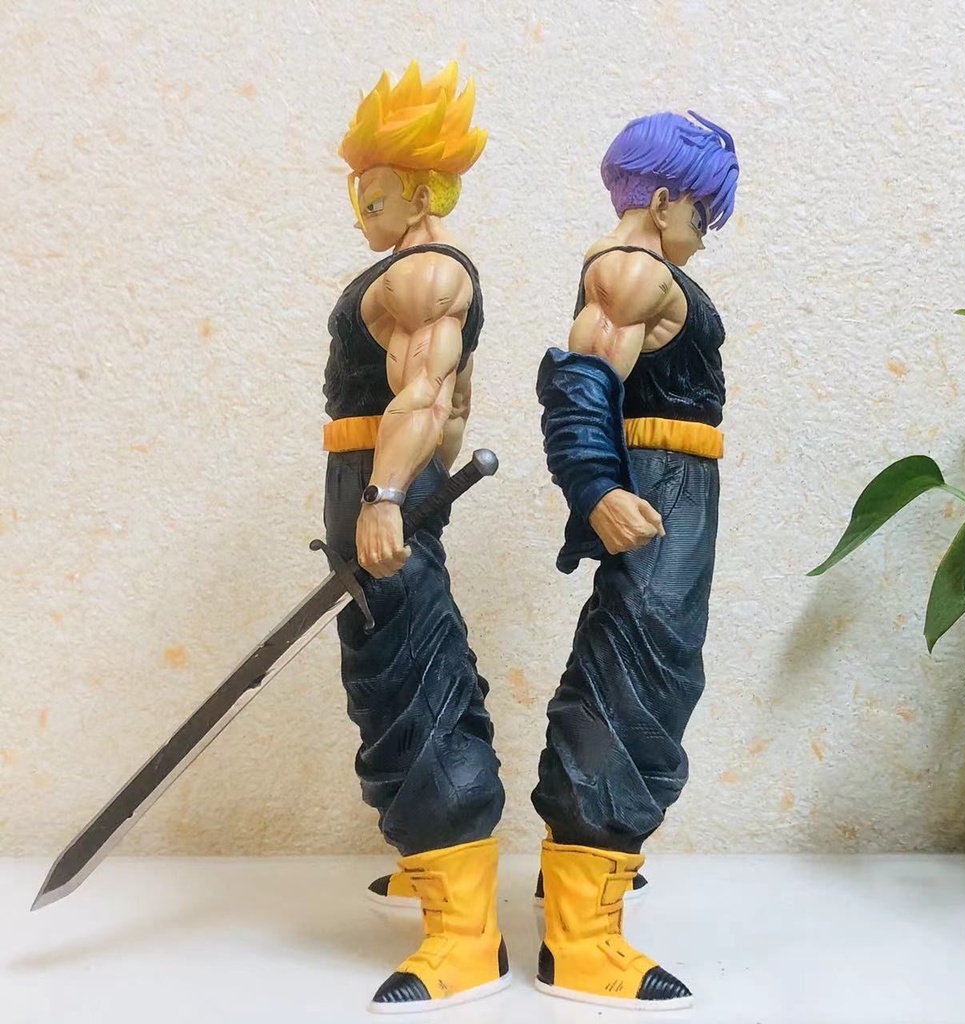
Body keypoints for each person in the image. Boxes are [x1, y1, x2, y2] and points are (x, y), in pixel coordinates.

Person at [532, 110, 740, 1010]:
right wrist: (596, 487)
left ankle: (578, 872)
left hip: (675, 479)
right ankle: (582, 937)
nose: (704, 234)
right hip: (659, 485)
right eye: (702, 214)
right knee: (640, 677)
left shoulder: (642, 274)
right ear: (662, 200)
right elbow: (581, 383)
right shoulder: (631, 271)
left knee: (645, 664)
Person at [323, 60, 507, 1011]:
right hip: (374, 476)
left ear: (423, 193)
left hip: (381, 479)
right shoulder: (407, 273)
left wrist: (389, 493)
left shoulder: (427, 273)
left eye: (376, 193)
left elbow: (431, 396)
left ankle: (466, 933)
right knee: (391, 660)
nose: (362, 210)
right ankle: (433, 865)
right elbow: (451, 411)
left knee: (411, 673)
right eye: (358, 193)